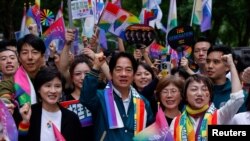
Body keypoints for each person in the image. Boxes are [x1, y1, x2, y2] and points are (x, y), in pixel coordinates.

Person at [80, 52, 154, 140]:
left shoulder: (143, 102)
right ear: (111, 73)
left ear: (134, 74)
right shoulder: (101, 97)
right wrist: (96, 67)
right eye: (118, 69)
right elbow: (86, 98)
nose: (123, 74)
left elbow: (149, 134)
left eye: (128, 70)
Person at [170, 54, 244, 141]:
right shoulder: (176, 122)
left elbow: (238, 99)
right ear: (185, 96)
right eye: (194, 89)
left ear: (210, 95)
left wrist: (231, 65)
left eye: (204, 89)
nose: (199, 93)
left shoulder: (219, 116)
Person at [19, 67, 81, 141]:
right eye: (48, 86)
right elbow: (19, 138)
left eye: (57, 86)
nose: (53, 91)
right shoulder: (29, 113)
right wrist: (25, 122)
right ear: (38, 89)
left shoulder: (72, 118)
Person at [62, 55, 95, 140]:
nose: (83, 77)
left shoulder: (99, 97)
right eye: (78, 74)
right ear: (72, 77)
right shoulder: (64, 101)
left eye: (87, 73)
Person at [206, 45, 247, 111]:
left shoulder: (239, 95)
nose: (210, 66)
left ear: (228, 66)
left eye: (216, 62)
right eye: (208, 61)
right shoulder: (200, 91)